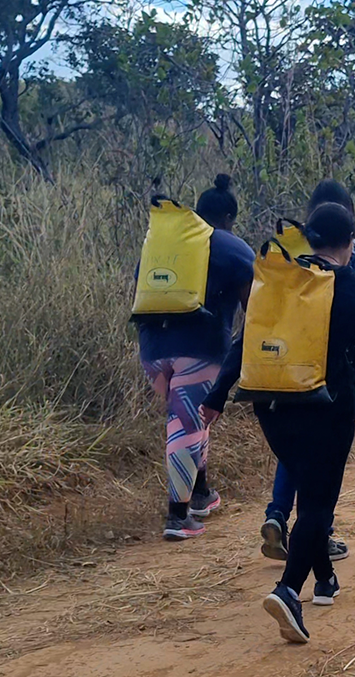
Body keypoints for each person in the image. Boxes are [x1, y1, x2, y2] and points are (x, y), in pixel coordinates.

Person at [201, 203, 355, 645]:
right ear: (351, 242)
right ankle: (288, 591)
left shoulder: (277, 281)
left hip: (270, 407)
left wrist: (216, 398)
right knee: (317, 504)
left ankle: (324, 579)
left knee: (309, 487)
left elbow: (245, 340)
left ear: (309, 239)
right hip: (326, 408)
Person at [260, 179, 355, 563]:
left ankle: (278, 514)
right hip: (330, 371)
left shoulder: (290, 249)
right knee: (325, 462)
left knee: (296, 451)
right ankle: (318, 537)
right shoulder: (352, 251)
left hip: (284, 365)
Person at [136, 174, 255, 542]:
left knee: (191, 418)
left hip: (152, 349)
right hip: (199, 350)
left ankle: (201, 492)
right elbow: (255, 306)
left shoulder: (163, 246)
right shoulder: (232, 246)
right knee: (185, 424)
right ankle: (178, 516)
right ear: (229, 218)